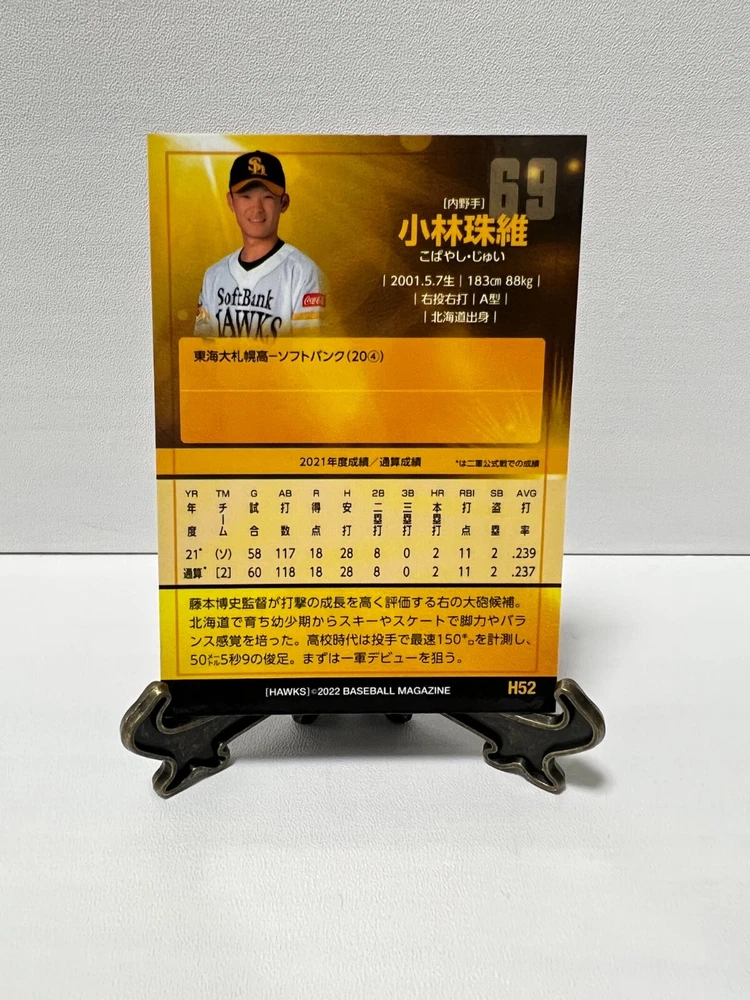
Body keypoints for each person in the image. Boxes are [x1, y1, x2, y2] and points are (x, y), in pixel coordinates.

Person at [194, 151, 324, 338]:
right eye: (246, 196)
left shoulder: (303, 273)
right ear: (231, 202)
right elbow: (201, 349)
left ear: (284, 203)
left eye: (267, 196)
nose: (257, 208)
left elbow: (310, 353)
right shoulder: (213, 276)